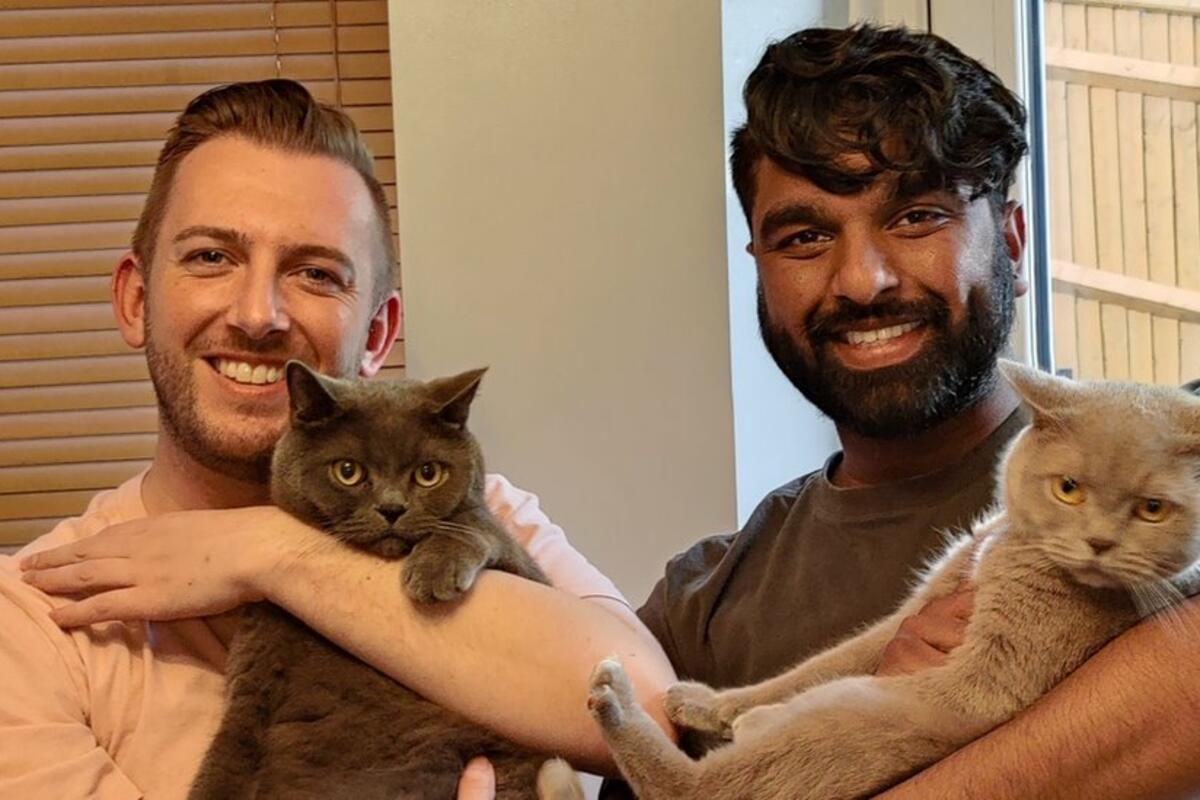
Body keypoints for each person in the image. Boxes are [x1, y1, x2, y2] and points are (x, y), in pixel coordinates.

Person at [0, 79, 677, 798]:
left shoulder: (478, 515)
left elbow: (652, 718)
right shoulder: (34, 616)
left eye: (316, 274)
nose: (258, 315)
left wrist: (269, 552)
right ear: (136, 299)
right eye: (211, 257)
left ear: (378, 333)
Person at [599, 24, 1200, 799]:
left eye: (916, 216)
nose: (862, 280)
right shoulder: (701, 604)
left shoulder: (1166, 494)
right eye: (805, 236)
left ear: (1013, 244)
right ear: (760, 268)